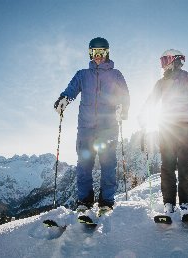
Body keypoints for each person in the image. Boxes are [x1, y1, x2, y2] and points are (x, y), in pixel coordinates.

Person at [54, 37, 130, 215]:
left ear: (107, 53)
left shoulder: (116, 74)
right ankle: (85, 201)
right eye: (94, 53)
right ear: (90, 53)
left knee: (108, 164)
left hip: (108, 127)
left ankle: (106, 202)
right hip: (86, 128)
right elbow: (71, 90)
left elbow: (124, 96)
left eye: (101, 52)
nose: (97, 56)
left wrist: (123, 109)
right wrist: (64, 99)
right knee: (83, 164)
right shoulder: (82, 74)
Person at [139, 49, 188, 218]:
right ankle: (169, 204)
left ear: (174, 60)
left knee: (185, 166)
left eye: (165, 60)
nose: (163, 65)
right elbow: (149, 104)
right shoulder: (161, 83)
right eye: (161, 62)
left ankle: (185, 204)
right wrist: (143, 127)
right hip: (167, 127)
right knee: (167, 166)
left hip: (185, 127)